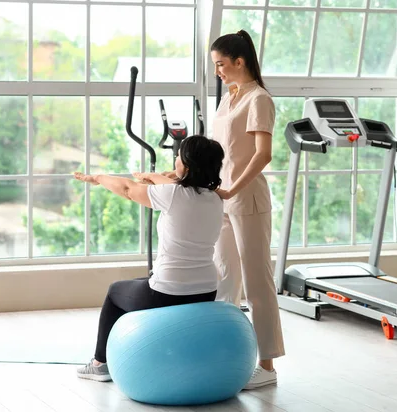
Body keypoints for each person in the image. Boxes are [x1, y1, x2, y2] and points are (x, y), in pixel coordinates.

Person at [73, 134, 225, 382]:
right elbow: (171, 184)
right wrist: (150, 176)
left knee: (115, 292)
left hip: (168, 292)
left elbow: (127, 189)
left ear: (186, 164)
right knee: (137, 282)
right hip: (206, 290)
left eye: (178, 156)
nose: (175, 158)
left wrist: (98, 178)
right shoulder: (215, 199)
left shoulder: (173, 195)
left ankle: (100, 364)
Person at [210, 29, 286, 389]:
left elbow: (263, 155)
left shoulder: (259, 99)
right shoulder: (229, 97)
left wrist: (231, 190)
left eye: (221, 64)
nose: (218, 71)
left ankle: (267, 366)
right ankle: (225, 356)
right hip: (222, 197)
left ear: (239, 62)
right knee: (224, 278)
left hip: (247, 199)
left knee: (258, 283)